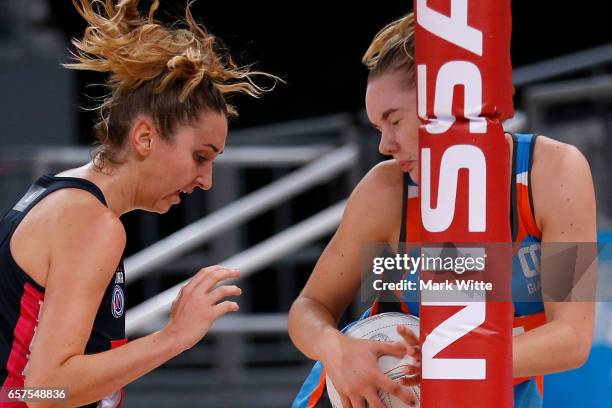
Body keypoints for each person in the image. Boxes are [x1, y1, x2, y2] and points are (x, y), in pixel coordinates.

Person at [288, 12, 596, 408]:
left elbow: (573, 338)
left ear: (445, 104)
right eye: (377, 129)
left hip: (492, 393)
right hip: (370, 394)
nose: (385, 144)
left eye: (394, 121)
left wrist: (447, 363)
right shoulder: (387, 190)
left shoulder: (553, 172)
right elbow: (308, 308)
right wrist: (335, 347)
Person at [0, 1, 278, 407]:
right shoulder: (91, 222)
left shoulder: (59, 194)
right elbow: (44, 389)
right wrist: (173, 337)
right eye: (201, 156)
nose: (207, 179)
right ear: (145, 138)